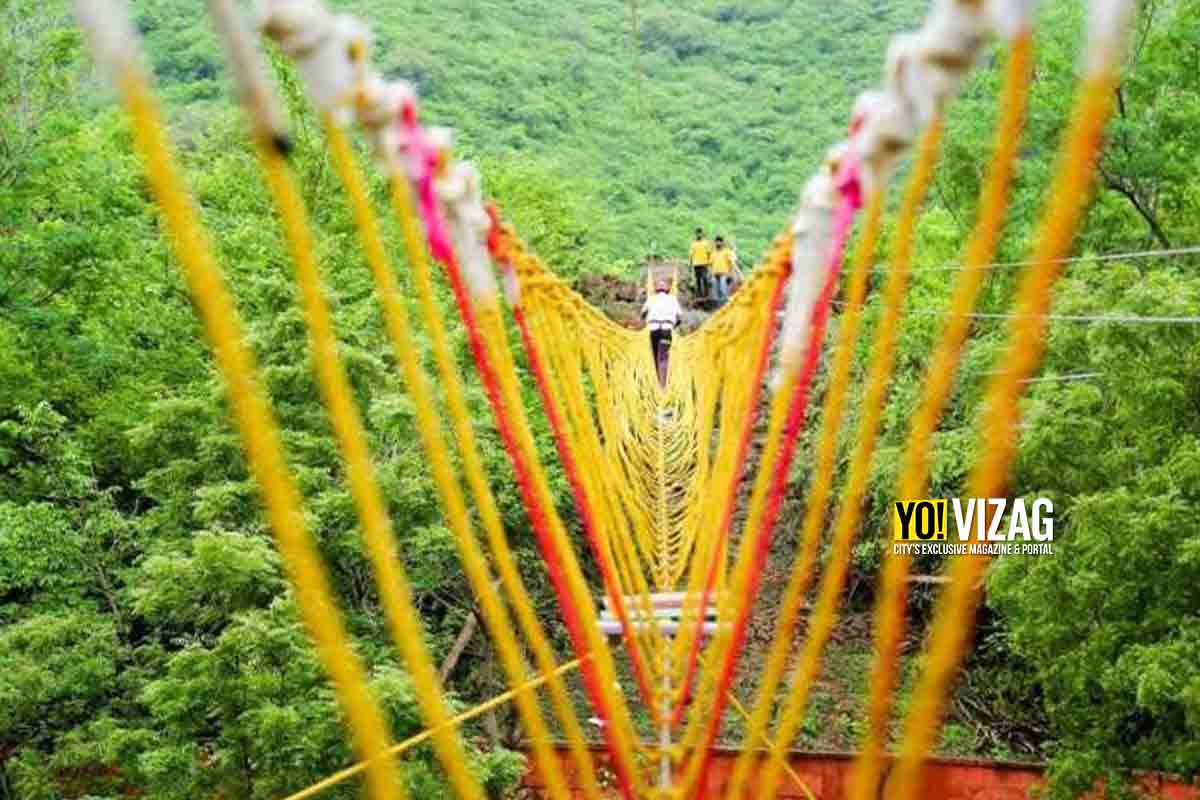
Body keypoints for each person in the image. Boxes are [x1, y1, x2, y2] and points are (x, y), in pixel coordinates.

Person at [641, 279, 682, 386]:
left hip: (653, 329)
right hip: (666, 330)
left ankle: (655, 381)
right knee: (664, 357)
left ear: (656, 290)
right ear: (667, 290)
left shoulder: (651, 299)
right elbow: (679, 317)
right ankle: (663, 385)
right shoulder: (672, 299)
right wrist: (674, 326)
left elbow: (643, 313)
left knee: (654, 355)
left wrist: (647, 319)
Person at [710, 236, 741, 306]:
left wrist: (732, 273)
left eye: (719, 242)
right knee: (715, 291)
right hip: (714, 274)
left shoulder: (727, 251)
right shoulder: (713, 253)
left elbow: (732, 263)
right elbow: (711, 264)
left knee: (723, 289)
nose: (718, 243)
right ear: (715, 243)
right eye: (716, 242)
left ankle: (724, 305)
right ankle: (718, 306)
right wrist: (710, 274)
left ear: (722, 243)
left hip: (724, 274)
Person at [688, 228, 712, 302]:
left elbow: (709, 253)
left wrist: (710, 263)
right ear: (695, 234)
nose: (699, 235)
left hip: (704, 263)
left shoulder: (706, 243)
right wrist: (690, 264)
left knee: (705, 278)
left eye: (700, 233)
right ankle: (699, 295)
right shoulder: (693, 244)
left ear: (702, 234)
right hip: (696, 264)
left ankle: (706, 294)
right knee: (698, 280)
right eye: (697, 233)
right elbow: (691, 255)